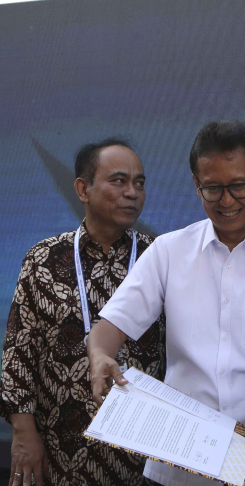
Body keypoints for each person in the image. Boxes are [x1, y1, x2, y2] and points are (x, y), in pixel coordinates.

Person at [86, 121, 245, 486]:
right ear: (197, 185)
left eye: (238, 186)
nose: (226, 201)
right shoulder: (168, 252)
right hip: (179, 465)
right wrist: (100, 355)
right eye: (212, 188)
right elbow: (109, 328)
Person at [0, 138, 165, 486]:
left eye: (139, 183)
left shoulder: (160, 258)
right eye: (119, 181)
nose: (132, 192)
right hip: (65, 453)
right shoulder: (43, 259)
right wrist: (23, 432)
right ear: (82, 188)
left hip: (148, 456)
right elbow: (19, 354)